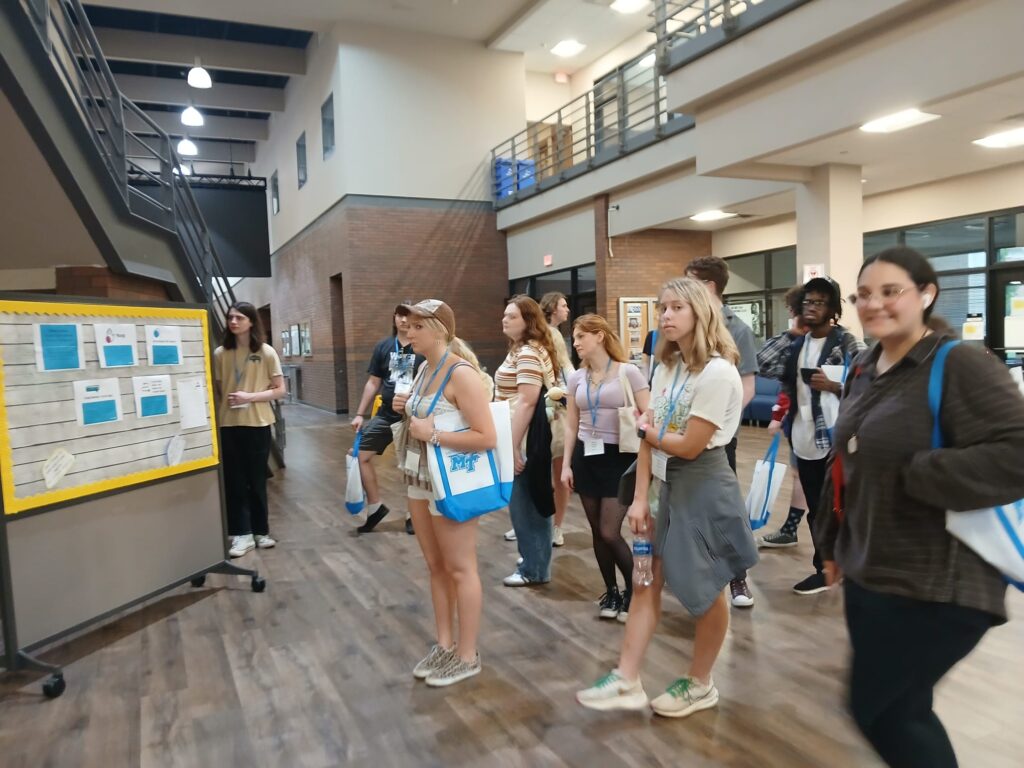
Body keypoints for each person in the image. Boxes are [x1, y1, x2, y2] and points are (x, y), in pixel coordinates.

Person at [816, 247, 1024, 768]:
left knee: (881, 711)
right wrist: (831, 542)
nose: (874, 304)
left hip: (939, 582)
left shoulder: (959, 362)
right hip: (873, 570)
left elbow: (1016, 450)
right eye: (864, 294)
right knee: (902, 707)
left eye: (891, 292)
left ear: (926, 295)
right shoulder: (865, 364)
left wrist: (923, 473)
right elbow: (847, 458)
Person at [576, 277, 758, 717]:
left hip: (702, 485)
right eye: (662, 308)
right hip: (663, 484)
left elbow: (689, 445)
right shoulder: (667, 368)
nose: (666, 316)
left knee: (708, 587)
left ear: (700, 311)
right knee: (644, 581)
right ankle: (627, 677)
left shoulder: (718, 371)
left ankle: (700, 683)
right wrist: (639, 498)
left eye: (677, 307)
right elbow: (648, 440)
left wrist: (650, 432)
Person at [390, 300, 495, 687]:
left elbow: (486, 436)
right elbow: (425, 419)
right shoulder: (422, 369)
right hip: (419, 478)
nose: (409, 331)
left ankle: (467, 654)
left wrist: (431, 433)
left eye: (417, 326)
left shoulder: (461, 373)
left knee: (460, 567)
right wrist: (407, 409)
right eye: (408, 324)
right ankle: (445, 645)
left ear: (439, 329)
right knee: (436, 567)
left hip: (451, 480)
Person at [561, 314, 650, 622]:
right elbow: (572, 424)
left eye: (580, 337)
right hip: (586, 456)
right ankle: (611, 591)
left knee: (610, 531)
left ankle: (635, 591)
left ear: (599, 336)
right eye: (574, 339)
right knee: (597, 532)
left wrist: (643, 422)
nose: (576, 344)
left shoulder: (629, 372)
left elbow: (649, 415)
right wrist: (566, 466)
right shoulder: (576, 378)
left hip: (621, 456)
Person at [778, 275, 864, 595]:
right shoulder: (797, 343)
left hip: (838, 438)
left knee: (843, 505)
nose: (811, 307)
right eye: (807, 302)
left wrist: (835, 386)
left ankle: (852, 567)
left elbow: (871, 384)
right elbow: (766, 365)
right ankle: (824, 568)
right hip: (803, 437)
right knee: (816, 507)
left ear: (833, 309)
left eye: (819, 302)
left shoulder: (846, 343)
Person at [684, 256, 759, 608]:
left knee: (723, 507)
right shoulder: (682, 324)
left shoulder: (736, 329)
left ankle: (738, 579)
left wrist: (718, 423)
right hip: (678, 435)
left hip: (716, 438)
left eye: (690, 283)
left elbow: (747, 387)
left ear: (709, 287)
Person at [495, 295, 561, 587]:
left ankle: (534, 568)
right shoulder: (524, 349)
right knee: (526, 500)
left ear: (528, 321)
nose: (505, 320)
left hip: (524, 435)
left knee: (526, 504)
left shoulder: (528, 353)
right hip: (522, 433)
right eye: (505, 315)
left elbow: (526, 400)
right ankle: (532, 559)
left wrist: (512, 446)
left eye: (512, 316)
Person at [214, 302, 287, 557]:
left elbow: (280, 390)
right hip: (228, 425)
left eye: (239, 318)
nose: (233, 322)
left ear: (251, 322)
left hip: (258, 424)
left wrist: (250, 397)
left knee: (257, 480)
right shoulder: (220, 353)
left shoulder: (266, 352)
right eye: (230, 317)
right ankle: (241, 534)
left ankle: (260, 531)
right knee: (234, 481)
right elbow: (221, 389)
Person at [350, 305, 424, 535]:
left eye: (409, 317)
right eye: (400, 315)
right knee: (361, 455)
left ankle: (414, 514)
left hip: (412, 416)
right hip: (385, 415)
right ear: (394, 318)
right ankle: (375, 507)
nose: (404, 320)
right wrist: (360, 413)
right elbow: (373, 382)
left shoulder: (422, 347)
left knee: (411, 465)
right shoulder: (383, 346)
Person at [755, 285, 809, 547]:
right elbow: (765, 364)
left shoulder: (835, 343)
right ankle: (790, 529)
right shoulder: (794, 342)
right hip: (799, 424)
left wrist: (778, 414)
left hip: (823, 428)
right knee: (800, 476)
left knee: (818, 480)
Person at [539, 291, 574, 548]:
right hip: (551, 409)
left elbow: (565, 371)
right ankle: (553, 526)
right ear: (552, 308)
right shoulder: (549, 334)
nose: (567, 310)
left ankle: (554, 526)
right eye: (563, 305)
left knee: (555, 471)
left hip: (556, 406)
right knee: (556, 471)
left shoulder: (554, 335)